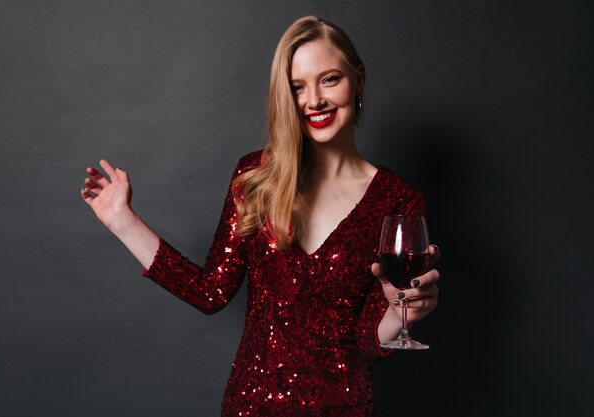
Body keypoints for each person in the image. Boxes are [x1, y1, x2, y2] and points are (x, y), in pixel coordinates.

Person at [81, 16, 440, 417]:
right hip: (250, 406)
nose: (314, 101)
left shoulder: (398, 199)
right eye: (297, 87)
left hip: (345, 406)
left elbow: (368, 341)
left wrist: (398, 310)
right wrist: (121, 220)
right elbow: (210, 292)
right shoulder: (256, 178)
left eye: (329, 79)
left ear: (357, 79)